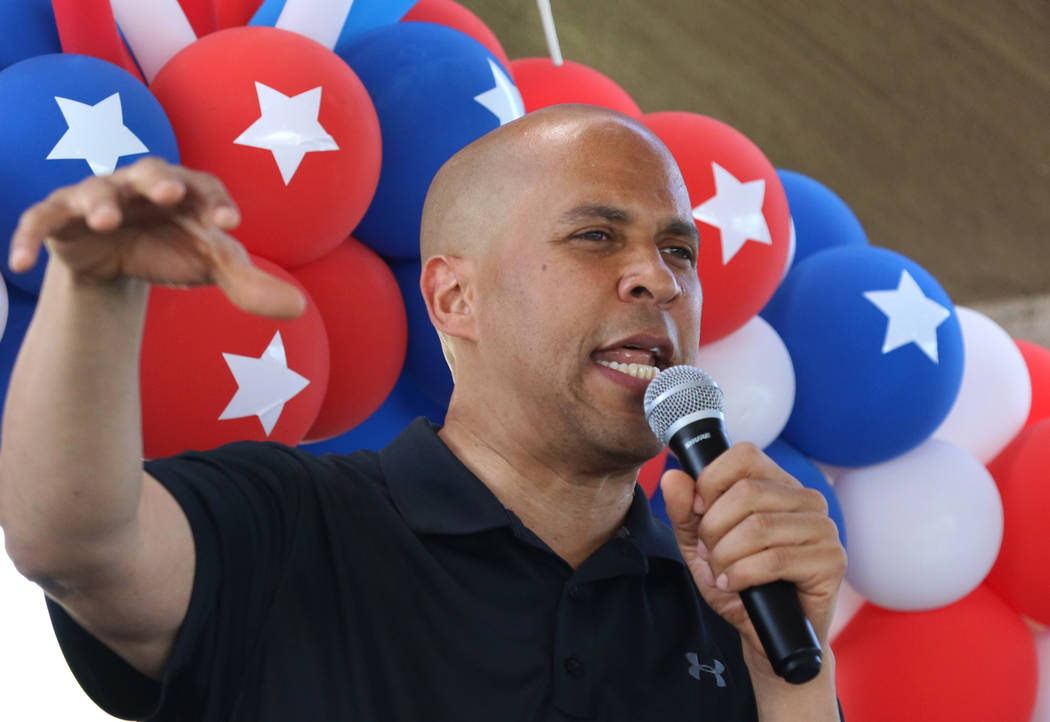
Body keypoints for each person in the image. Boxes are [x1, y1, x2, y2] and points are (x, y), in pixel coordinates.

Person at [0, 104, 846, 721]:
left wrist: (792, 678)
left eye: (678, 251)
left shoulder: (733, 601)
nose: (658, 280)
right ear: (453, 298)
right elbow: (75, 544)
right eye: (596, 236)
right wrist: (97, 293)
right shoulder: (291, 523)